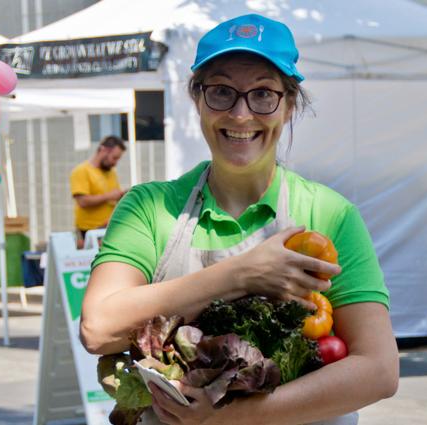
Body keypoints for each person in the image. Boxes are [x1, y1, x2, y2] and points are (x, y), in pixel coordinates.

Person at [79, 14, 398, 425]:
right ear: (197, 99)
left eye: (263, 94)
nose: (242, 114)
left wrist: (228, 416)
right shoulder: (149, 207)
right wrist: (240, 275)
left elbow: (378, 370)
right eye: (221, 92)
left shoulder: (329, 214)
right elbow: (98, 328)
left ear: (289, 105)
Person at [69, 135, 127, 243]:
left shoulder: (111, 172)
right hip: (89, 231)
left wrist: (122, 195)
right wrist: (109, 196)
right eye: (114, 158)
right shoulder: (82, 171)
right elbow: (82, 201)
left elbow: (113, 197)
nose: (115, 163)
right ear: (103, 150)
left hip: (108, 228)